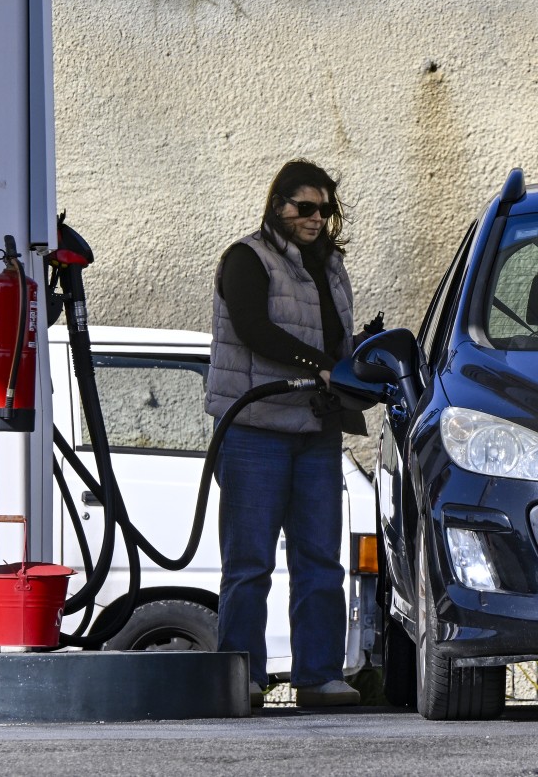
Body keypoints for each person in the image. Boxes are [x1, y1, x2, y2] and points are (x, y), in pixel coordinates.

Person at [205, 159, 362, 709]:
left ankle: (318, 676)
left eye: (324, 209)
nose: (316, 218)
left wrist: (355, 367)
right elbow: (252, 328)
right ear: (279, 207)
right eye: (305, 208)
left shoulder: (330, 264)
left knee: (320, 558)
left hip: (315, 427)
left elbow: (337, 336)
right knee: (250, 561)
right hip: (256, 429)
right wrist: (315, 362)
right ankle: (242, 677)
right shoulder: (247, 258)